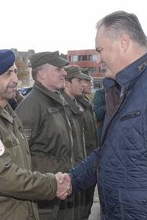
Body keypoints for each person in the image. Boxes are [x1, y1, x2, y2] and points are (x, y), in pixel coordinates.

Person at [69, 10, 147, 219]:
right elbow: (113, 150)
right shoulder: (124, 86)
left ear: (123, 42)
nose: (98, 59)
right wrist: (72, 180)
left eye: (100, 50)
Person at [0, 49, 71, 220]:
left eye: (14, 72)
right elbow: (3, 176)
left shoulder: (7, 113)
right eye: (8, 74)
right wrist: (51, 184)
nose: (15, 79)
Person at [15, 51, 76, 220]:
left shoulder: (55, 100)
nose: (64, 73)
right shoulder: (31, 106)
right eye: (58, 69)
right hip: (44, 198)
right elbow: (19, 156)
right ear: (41, 73)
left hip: (60, 190)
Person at [61, 65, 92, 220]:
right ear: (67, 82)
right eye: (78, 80)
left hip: (83, 166)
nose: (83, 84)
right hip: (70, 173)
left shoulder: (79, 104)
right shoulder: (62, 107)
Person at [75, 69, 98, 219]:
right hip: (82, 160)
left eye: (89, 80)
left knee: (87, 203)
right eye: (84, 81)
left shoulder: (86, 102)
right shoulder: (75, 105)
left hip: (90, 157)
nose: (89, 84)